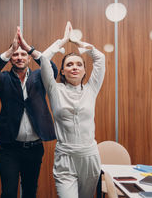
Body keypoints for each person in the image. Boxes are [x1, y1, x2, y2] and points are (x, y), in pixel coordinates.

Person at [39, 22, 105, 198]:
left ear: (84, 71)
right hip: (65, 158)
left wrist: (80, 44)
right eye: (69, 65)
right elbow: (44, 59)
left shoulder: (92, 89)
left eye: (78, 64)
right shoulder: (54, 89)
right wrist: (62, 41)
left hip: (89, 157)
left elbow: (100, 58)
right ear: (62, 71)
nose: (74, 67)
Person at [0, 27, 57, 198]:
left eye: (23, 54)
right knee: (8, 192)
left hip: (34, 148)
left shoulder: (39, 76)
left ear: (29, 58)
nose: (19, 57)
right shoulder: (3, 78)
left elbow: (53, 69)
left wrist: (29, 47)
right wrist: (9, 50)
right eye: (15, 54)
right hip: (9, 148)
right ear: (10, 59)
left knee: (30, 191)